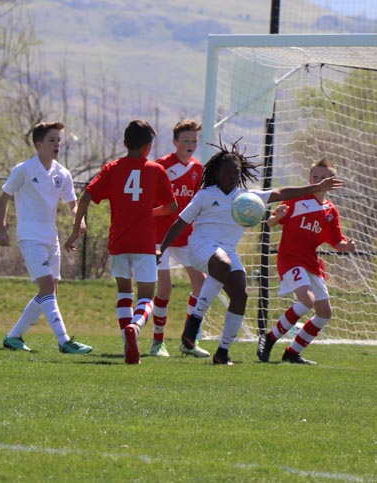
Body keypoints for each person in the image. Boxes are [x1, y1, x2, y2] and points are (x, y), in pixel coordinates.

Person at [159, 141, 344, 365]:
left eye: (236, 172)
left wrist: (315, 187)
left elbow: (280, 193)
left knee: (240, 294)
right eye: (227, 172)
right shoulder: (205, 195)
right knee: (223, 264)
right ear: (217, 173)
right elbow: (180, 223)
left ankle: (222, 352)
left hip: (226, 252)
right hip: (200, 247)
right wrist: (162, 248)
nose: (232, 176)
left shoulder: (246, 198)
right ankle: (194, 322)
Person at [64, 120, 177, 365]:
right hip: (145, 242)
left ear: (125, 143)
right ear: (148, 147)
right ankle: (135, 327)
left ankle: (128, 344)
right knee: (146, 296)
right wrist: (148, 212)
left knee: (124, 292)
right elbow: (172, 206)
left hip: (119, 241)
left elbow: (87, 196)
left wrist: (76, 228)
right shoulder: (156, 170)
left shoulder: (113, 168)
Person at [0, 121, 92, 355]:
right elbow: (4, 197)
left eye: (59, 140)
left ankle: (14, 337)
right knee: (47, 287)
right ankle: (64, 341)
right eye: (51, 140)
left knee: (50, 291)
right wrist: (2, 228)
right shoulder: (24, 169)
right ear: (39, 144)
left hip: (52, 238)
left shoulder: (63, 173)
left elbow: (72, 204)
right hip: (30, 237)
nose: (57, 144)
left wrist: (78, 219)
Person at [256, 158, 356, 365]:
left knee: (324, 313)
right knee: (307, 300)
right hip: (290, 258)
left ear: (332, 182)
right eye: (315, 177)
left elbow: (337, 241)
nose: (318, 180)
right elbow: (271, 222)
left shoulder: (330, 211)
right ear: (310, 179)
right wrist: (277, 216)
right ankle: (270, 338)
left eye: (324, 178)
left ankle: (292, 353)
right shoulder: (297, 199)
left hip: (311, 262)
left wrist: (346, 246)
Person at [150, 119, 209, 358]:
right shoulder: (161, 166)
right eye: (185, 140)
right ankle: (157, 342)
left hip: (185, 237)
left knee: (201, 285)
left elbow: (197, 202)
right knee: (164, 289)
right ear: (175, 142)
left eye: (194, 140)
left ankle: (189, 340)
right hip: (160, 237)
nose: (190, 144)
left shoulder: (198, 168)